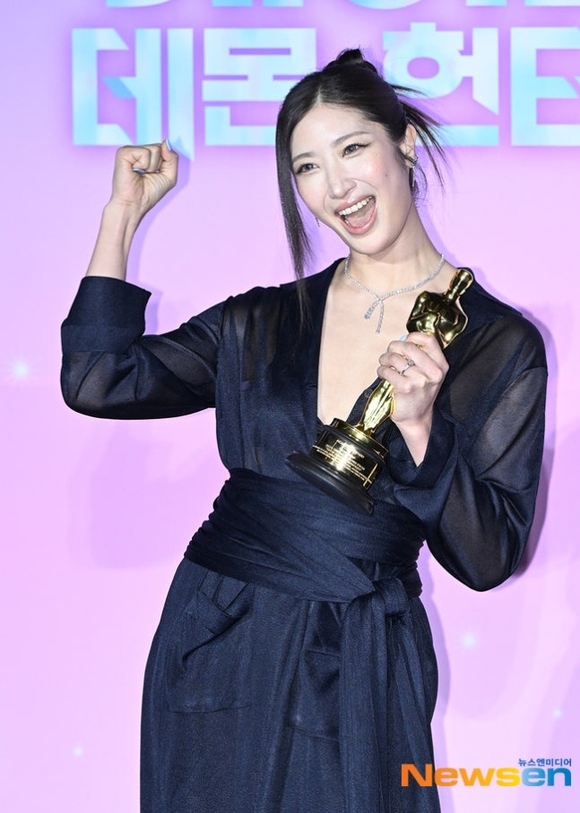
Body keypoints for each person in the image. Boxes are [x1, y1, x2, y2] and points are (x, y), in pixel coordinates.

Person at [61, 50, 547, 813]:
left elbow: (488, 558)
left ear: (403, 143)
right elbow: (97, 378)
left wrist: (423, 428)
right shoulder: (260, 321)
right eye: (309, 168)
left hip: (360, 660)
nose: (337, 187)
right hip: (219, 638)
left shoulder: (497, 343)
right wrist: (122, 213)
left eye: (353, 149)